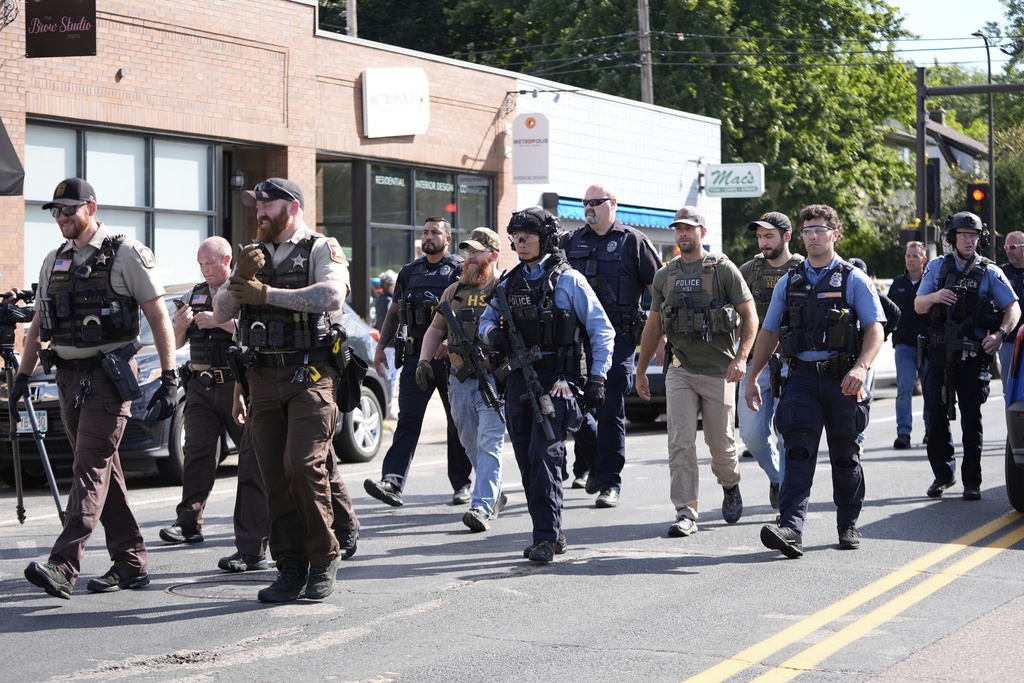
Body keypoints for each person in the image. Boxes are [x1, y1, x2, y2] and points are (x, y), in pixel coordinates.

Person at [16, 177, 177, 599]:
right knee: (104, 470)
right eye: (56, 211)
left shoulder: (126, 254)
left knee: (88, 467)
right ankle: (131, 562)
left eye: (69, 209)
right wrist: (22, 374)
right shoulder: (53, 260)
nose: (62, 217)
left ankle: (63, 565)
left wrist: (169, 374)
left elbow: (158, 315)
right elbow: (38, 323)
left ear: (91, 206)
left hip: (109, 377)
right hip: (67, 379)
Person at [213, 177, 349, 603]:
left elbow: (332, 296)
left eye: (266, 205)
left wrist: (267, 293)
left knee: (302, 467)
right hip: (262, 380)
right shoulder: (251, 254)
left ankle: (324, 558)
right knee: (272, 474)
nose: (259, 213)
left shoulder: (320, 248)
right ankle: (290, 565)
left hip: (308, 377)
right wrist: (239, 276)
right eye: (256, 206)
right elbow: (220, 312)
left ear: (291, 206)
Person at [746, 204, 885, 558]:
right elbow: (770, 331)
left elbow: (875, 329)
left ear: (834, 234)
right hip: (802, 379)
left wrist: (861, 367)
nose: (812, 236)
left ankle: (848, 523)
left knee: (845, 454)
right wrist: (752, 376)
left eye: (819, 229)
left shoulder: (853, 278)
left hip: (844, 380)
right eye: (807, 230)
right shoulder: (790, 282)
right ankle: (790, 528)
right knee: (797, 451)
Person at [479, 207, 613, 562]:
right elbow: (486, 320)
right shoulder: (508, 282)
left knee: (544, 456)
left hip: (559, 382)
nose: (519, 244)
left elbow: (602, 331)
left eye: (527, 238)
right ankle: (552, 529)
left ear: (547, 240)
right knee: (526, 461)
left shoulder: (569, 280)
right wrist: (494, 335)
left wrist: (597, 378)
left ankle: (544, 538)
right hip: (517, 381)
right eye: (516, 238)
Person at [635, 206, 757, 538]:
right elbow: (654, 325)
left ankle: (730, 484)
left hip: (720, 370)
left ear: (702, 231)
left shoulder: (723, 270)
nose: (682, 234)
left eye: (689, 228)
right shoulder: (665, 275)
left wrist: (742, 357)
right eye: (678, 229)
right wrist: (642, 370)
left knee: (721, 445)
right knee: (680, 442)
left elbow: (750, 316)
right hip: (680, 369)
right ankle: (686, 511)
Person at [157, 237, 271, 573]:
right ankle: (188, 523)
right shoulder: (194, 293)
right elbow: (177, 342)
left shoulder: (240, 290)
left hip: (235, 386)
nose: (206, 270)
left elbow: (252, 331)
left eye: (210, 264)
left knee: (255, 460)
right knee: (197, 453)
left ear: (226, 260)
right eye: (201, 265)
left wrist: (216, 320)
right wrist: (182, 323)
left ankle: (261, 534)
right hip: (200, 386)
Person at [562, 183, 661, 508]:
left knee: (610, 410)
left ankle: (609, 482)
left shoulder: (633, 241)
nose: (589, 207)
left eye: (596, 202)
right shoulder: (572, 241)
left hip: (617, 339)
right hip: (574, 339)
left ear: (613, 204)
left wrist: (661, 336)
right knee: (572, 406)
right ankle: (594, 460)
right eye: (585, 202)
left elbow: (658, 290)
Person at [365, 218, 472, 507]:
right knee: (407, 420)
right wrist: (381, 347)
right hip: (415, 358)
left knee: (456, 422)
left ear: (447, 238)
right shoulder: (409, 272)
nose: (428, 237)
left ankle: (462, 484)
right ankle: (392, 482)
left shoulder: (460, 269)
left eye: (434, 232)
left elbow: (472, 308)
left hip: (451, 360)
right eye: (425, 232)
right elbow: (395, 312)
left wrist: (454, 340)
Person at [915, 212, 1019, 501]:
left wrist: (999, 335)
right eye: (962, 235)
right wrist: (937, 296)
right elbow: (918, 305)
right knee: (935, 416)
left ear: (980, 238)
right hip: (939, 353)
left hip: (974, 356)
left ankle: (972, 480)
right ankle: (943, 475)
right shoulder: (936, 267)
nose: (968, 240)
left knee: (972, 418)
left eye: (973, 235)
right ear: (953, 238)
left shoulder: (990, 271)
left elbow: (1013, 308)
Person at [416, 228, 508, 532]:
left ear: (493, 256)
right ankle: (493, 492)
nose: (470, 257)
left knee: (489, 443)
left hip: (494, 379)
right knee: (470, 442)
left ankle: (481, 506)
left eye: (477, 252)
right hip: (459, 379)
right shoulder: (453, 291)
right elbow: (435, 330)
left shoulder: (504, 288)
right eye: (467, 251)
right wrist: (424, 362)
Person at [737, 211, 804, 509]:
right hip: (757, 363)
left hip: (794, 362)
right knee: (751, 436)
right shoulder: (749, 270)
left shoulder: (804, 268)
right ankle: (777, 478)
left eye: (769, 236)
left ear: (786, 237)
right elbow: (732, 310)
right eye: (760, 236)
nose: (763, 242)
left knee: (787, 432)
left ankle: (788, 498)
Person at [886, 242, 930, 449]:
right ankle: (903, 433)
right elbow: (887, 312)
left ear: (924, 259)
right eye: (908, 256)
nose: (910, 259)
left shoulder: (931, 282)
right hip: (904, 346)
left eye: (915, 256)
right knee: (904, 390)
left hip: (928, 346)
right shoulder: (897, 283)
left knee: (930, 390)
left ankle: (931, 431)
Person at [999, 231, 1024, 379]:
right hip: (1009, 340)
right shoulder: (1000, 273)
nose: (1009, 251)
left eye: (1013, 247)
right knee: (1009, 386)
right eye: (1006, 247)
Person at [375, 269, 400, 418]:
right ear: (391, 285)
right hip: (391, 344)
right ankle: (388, 408)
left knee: (390, 375)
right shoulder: (390, 301)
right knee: (392, 376)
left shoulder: (379, 299)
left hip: (385, 343)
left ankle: (387, 407)